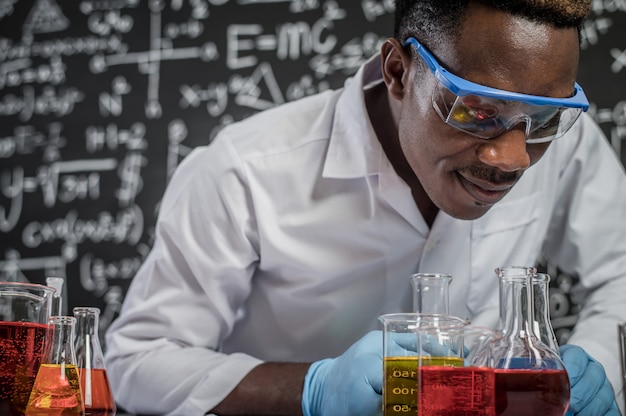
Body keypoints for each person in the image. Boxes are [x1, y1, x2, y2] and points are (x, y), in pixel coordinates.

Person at [104, 0, 626, 415]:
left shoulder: (563, 147)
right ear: (398, 72)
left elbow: (620, 271)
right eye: (477, 110)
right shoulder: (244, 171)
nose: (512, 158)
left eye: (546, 117)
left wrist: (596, 363)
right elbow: (138, 360)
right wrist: (313, 391)